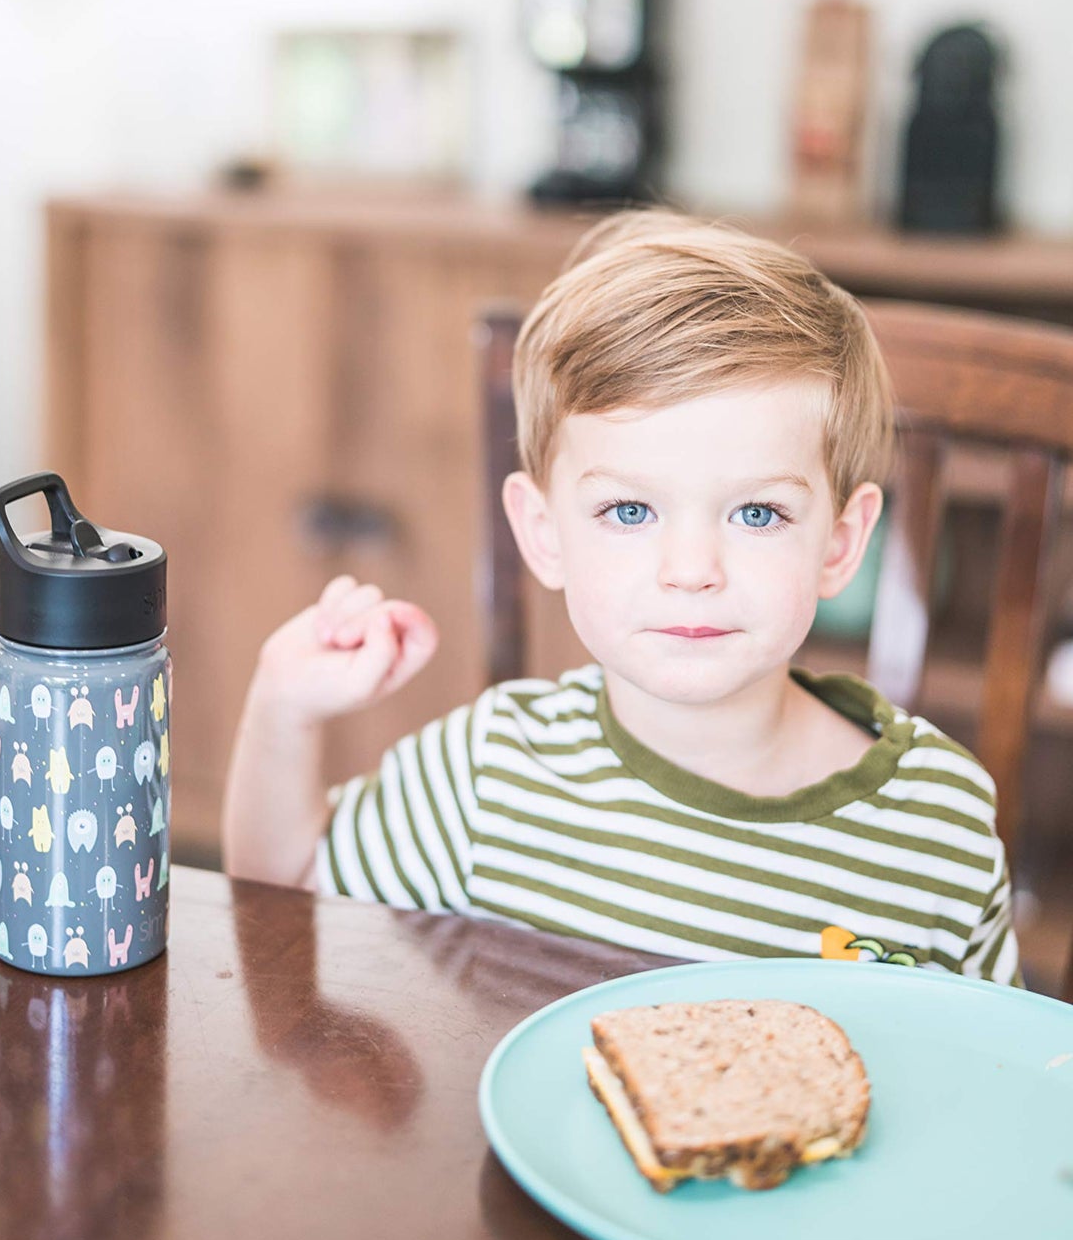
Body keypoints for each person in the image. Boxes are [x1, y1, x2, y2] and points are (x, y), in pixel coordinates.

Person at [222, 210, 1020, 985]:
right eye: (630, 511)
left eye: (757, 512)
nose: (692, 568)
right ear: (544, 533)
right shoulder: (490, 774)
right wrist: (281, 708)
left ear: (840, 545)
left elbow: (997, 1076)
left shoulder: (937, 827)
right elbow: (283, 897)